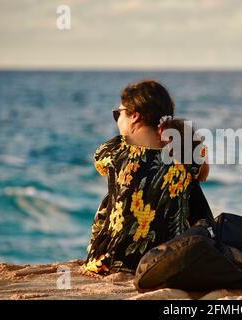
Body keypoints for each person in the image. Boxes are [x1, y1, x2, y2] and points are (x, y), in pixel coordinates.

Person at [85, 80, 212, 274]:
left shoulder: (114, 151)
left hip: (114, 259)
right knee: (185, 184)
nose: (117, 119)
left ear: (134, 116)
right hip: (167, 260)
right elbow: (201, 168)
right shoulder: (185, 155)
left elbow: (99, 161)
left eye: (117, 114)